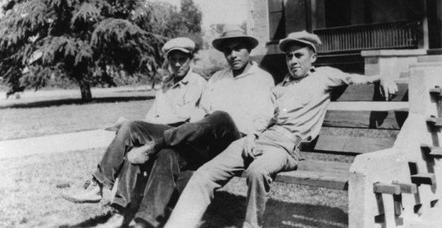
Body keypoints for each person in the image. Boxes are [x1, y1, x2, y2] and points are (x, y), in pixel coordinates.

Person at [164, 30, 399, 228]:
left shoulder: (325, 77)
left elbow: (356, 78)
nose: (293, 61)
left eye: (299, 55)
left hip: (286, 147)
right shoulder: (279, 87)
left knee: (257, 171)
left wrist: (383, 77)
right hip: (260, 139)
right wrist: (251, 137)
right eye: (289, 56)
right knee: (205, 173)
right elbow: (264, 117)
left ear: (313, 57)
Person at [62, 25, 276, 228]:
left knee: (220, 117)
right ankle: (142, 221)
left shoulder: (262, 79)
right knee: (165, 153)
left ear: (249, 49)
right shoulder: (217, 78)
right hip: (205, 141)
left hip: (235, 140)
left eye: (238, 49)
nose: (233, 55)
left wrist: (252, 136)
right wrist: (192, 131)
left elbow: (264, 115)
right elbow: (200, 114)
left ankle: (154, 145)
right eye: (228, 51)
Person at [61, 36, 205, 201]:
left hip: (181, 138)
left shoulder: (197, 83)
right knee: (130, 142)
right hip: (162, 135)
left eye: (182, 59)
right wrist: (140, 125)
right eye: (173, 60)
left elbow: (183, 116)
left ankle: (99, 183)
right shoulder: (166, 85)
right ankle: (122, 202)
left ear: (190, 60)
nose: (178, 64)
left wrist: (138, 125)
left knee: (129, 127)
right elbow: (152, 114)